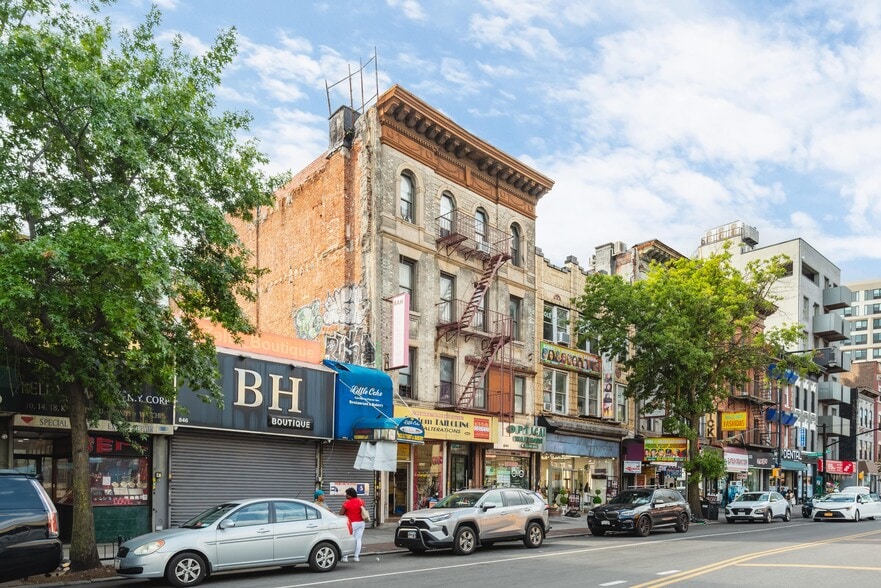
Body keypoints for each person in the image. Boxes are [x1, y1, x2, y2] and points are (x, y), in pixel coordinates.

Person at [339, 487, 366, 562]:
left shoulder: (347, 503)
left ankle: (345, 557)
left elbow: (341, 513)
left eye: (346, 494)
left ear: (350, 495)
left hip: (352, 524)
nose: (345, 495)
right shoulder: (361, 501)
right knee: (358, 540)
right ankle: (356, 557)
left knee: (349, 540)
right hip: (361, 523)